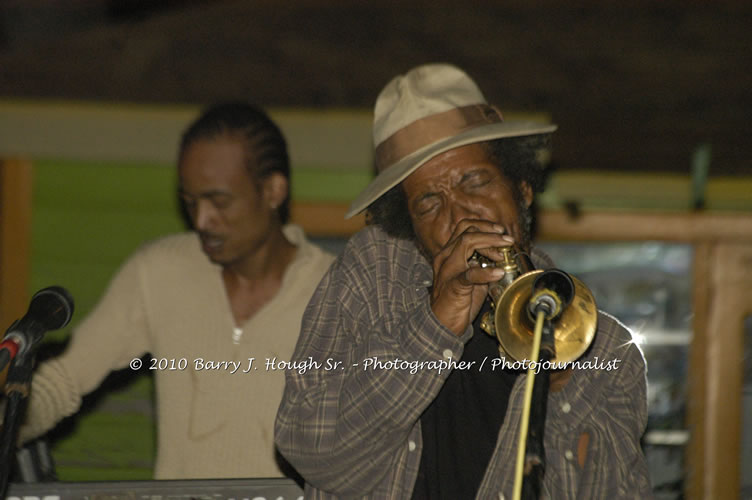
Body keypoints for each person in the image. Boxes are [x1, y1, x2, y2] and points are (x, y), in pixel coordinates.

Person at [275, 64, 653, 499]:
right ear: (408, 224)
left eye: (474, 181)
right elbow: (311, 449)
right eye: (429, 203)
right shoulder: (372, 275)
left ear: (523, 187)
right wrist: (435, 326)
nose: (460, 216)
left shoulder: (604, 348)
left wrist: (563, 386)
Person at [19, 102, 335, 479]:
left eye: (219, 201)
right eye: (190, 202)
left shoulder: (336, 291)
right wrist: (12, 415)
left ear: (273, 190)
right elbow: (64, 379)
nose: (202, 220)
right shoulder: (158, 272)